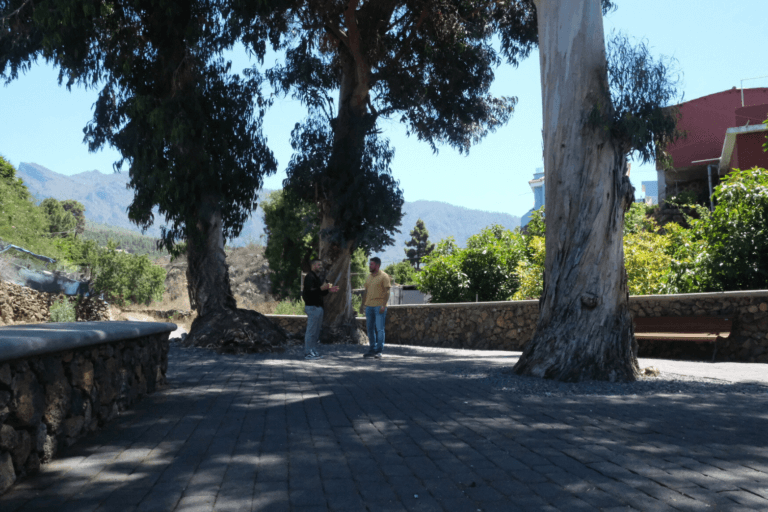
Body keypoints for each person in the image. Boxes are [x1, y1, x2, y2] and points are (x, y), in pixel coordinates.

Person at [302, 259, 339, 360]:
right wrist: (321, 288)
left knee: (316, 331)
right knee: (311, 331)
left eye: (321, 265)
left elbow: (320, 293)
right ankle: (308, 353)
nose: (320, 266)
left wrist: (328, 289)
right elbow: (308, 293)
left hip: (318, 308)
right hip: (312, 307)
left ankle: (313, 351)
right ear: (313, 266)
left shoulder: (317, 278)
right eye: (318, 264)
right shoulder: (309, 276)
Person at [362, 256, 391, 359]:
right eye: (369, 264)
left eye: (371, 264)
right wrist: (363, 305)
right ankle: (372, 349)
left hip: (379, 306)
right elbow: (365, 291)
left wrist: (383, 305)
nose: (369, 266)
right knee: (370, 329)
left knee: (380, 329)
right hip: (369, 306)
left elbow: (387, 291)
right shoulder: (369, 277)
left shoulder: (384, 276)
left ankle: (379, 351)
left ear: (377, 265)